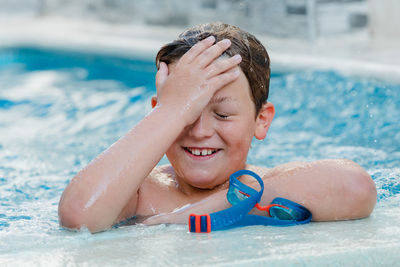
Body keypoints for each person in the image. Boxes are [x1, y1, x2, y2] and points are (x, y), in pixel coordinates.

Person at [58, 22, 377, 233]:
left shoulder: (275, 183)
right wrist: (171, 111)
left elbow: (356, 187)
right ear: (159, 118)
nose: (199, 131)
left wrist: (214, 207)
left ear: (261, 120)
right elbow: (79, 217)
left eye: (222, 114)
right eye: (186, 114)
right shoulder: (141, 193)